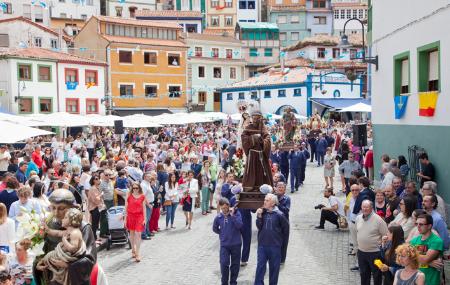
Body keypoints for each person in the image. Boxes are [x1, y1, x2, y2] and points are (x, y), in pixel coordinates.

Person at [254, 193, 289, 285]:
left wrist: (282, 248)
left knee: (274, 269)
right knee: (260, 267)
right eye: (265, 200)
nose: (264, 202)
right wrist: (259, 216)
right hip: (262, 245)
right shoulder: (262, 212)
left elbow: (286, 232)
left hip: (275, 246)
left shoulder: (280, 215)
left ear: (273, 203)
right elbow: (259, 227)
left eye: (267, 200)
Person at [356, 200, 389, 285]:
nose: (365, 209)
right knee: (363, 274)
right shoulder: (358, 218)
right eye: (363, 207)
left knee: (377, 275)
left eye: (367, 207)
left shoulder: (379, 220)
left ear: (371, 208)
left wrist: (382, 247)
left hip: (375, 253)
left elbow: (386, 235)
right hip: (361, 252)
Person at [241, 108, 274, 192]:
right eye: (254, 118)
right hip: (252, 155)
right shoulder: (248, 127)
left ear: (260, 118)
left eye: (257, 118)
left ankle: (262, 188)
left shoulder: (263, 128)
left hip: (260, 155)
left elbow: (268, 138)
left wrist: (262, 141)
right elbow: (244, 137)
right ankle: (250, 187)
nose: (255, 120)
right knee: (251, 171)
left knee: (261, 172)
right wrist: (253, 138)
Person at [212, 197, 243, 285]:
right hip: (224, 245)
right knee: (224, 264)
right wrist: (221, 233)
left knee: (235, 265)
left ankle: (233, 282)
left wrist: (232, 215)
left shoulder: (236, 214)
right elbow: (214, 228)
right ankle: (224, 282)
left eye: (226, 208)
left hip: (236, 244)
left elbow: (240, 225)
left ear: (229, 206)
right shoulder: (218, 217)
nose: (225, 210)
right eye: (222, 208)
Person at [409, 214, 443, 285]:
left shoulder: (436, 241)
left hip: (431, 281)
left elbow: (425, 259)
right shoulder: (414, 241)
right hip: (415, 280)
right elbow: (408, 259)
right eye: (416, 224)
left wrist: (413, 256)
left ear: (429, 226)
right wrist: (429, 263)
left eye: (421, 224)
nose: (418, 226)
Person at [124, 182, 146, 262]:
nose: (135, 189)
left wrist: (145, 219)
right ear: (132, 188)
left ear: (139, 188)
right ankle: (133, 249)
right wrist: (125, 219)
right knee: (132, 234)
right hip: (130, 216)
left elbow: (144, 208)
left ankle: (137, 253)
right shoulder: (129, 196)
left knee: (138, 233)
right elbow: (125, 207)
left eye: (137, 188)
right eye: (134, 188)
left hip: (139, 216)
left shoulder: (142, 196)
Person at [274, 182, 290, 264]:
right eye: (279, 187)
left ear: (285, 189)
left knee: (284, 241)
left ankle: (282, 260)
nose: (280, 188)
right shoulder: (272, 197)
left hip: (284, 223)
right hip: (274, 222)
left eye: (282, 187)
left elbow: (286, 210)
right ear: (275, 188)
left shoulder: (287, 198)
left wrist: (278, 204)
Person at [87, 174, 104, 241]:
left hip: (97, 207)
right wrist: (101, 195)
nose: (98, 180)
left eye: (98, 178)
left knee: (96, 223)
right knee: (94, 224)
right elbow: (95, 199)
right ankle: (93, 238)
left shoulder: (97, 188)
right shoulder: (93, 188)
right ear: (93, 181)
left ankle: (95, 237)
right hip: (94, 208)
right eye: (96, 179)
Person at [140, 172, 154, 240]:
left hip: (150, 203)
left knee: (148, 219)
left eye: (150, 176)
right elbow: (143, 196)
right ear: (145, 177)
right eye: (149, 176)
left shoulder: (147, 184)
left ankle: (147, 232)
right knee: (145, 219)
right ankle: (143, 234)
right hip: (146, 205)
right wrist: (148, 204)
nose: (150, 178)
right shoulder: (143, 185)